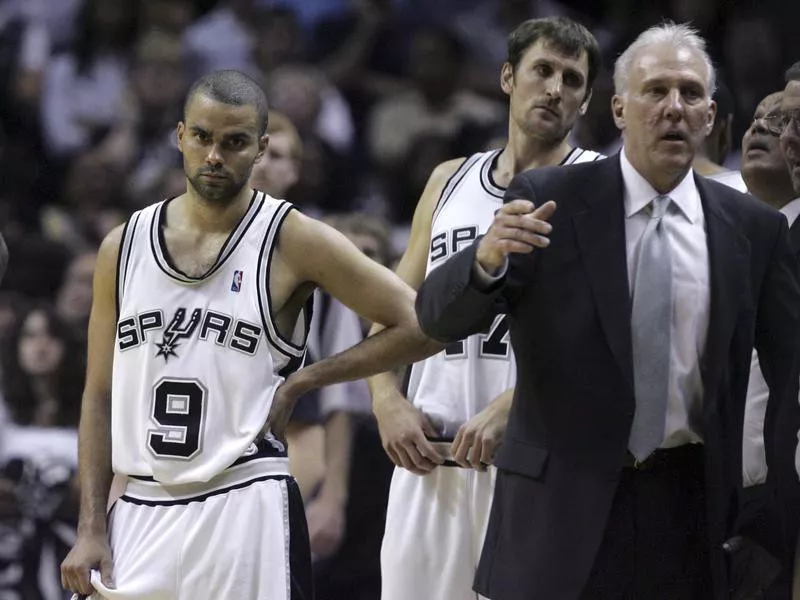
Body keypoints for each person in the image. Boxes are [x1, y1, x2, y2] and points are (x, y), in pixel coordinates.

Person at [415, 24, 800, 600]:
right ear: (619, 108)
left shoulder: (753, 228)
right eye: (656, 91)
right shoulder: (551, 197)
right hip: (555, 511)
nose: (675, 107)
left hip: (690, 509)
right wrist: (486, 258)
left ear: (709, 113)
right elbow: (436, 318)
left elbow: (790, 374)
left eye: (691, 94)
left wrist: (769, 511)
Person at [59, 69, 431, 600]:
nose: (215, 155)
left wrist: (305, 382)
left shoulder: (293, 237)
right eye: (204, 138)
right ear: (181, 135)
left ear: (260, 150)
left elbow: (417, 322)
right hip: (142, 502)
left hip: (246, 496)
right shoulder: (121, 247)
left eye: (234, 142)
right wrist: (91, 526)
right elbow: (98, 395)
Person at [369, 16, 603, 600]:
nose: (555, 88)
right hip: (428, 464)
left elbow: (612, 333)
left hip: (531, 468)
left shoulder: (599, 186)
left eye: (572, 80)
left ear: (587, 100)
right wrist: (386, 401)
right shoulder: (449, 179)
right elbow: (394, 308)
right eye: (542, 70)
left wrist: (519, 404)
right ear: (507, 77)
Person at [738, 88, 800, 600]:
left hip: (782, 503)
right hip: (731, 499)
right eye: (757, 118)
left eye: (781, 120)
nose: (761, 128)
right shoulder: (733, 236)